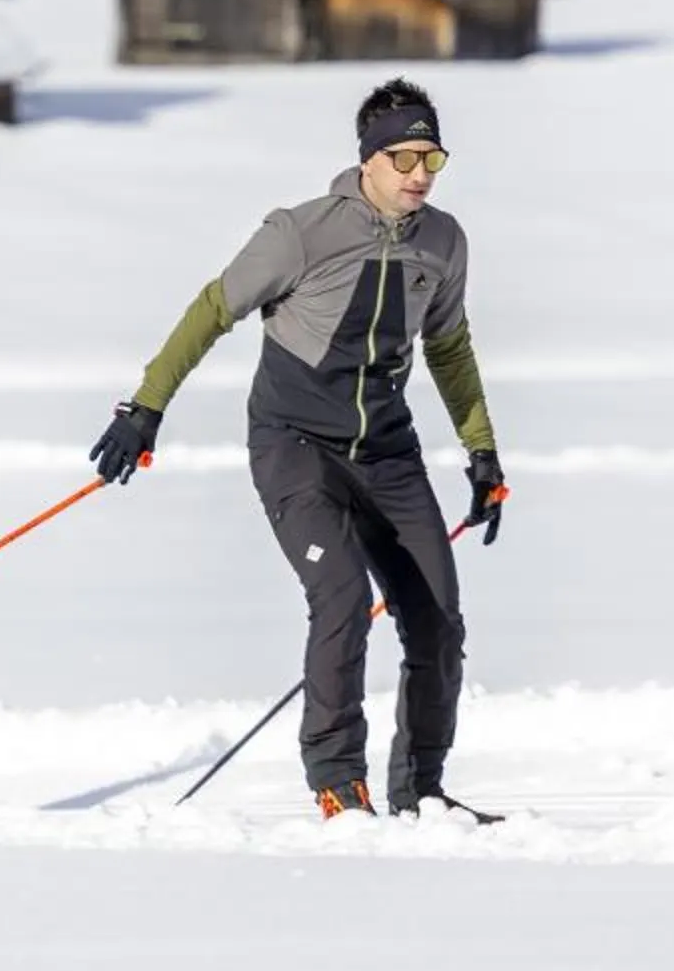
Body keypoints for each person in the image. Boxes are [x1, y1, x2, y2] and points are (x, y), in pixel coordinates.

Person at [89, 78, 507, 820]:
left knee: (439, 621)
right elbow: (214, 309)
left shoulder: (443, 243)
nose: (419, 174)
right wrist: (144, 407)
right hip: (295, 446)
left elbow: (449, 346)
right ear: (369, 160)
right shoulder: (303, 232)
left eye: (432, 159)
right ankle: (338, 782)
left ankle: (423, 791)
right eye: (405, 157)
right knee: (342, 597)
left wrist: (482, 454)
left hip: (387, 451)